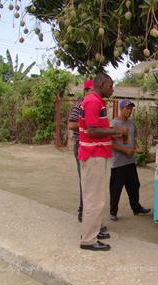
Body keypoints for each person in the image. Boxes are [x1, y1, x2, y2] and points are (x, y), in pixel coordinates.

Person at [78, 73, 127, 251]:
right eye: (110, 85)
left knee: (97, 197)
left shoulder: (95, 101)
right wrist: (115, 131)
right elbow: (92, 131)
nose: (112, 89)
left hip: (97, 154)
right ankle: (88, 240)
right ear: (101, 84)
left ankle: (93, 230)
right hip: (93, 155)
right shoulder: (92, 102)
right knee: (93, 199)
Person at [109, 99, 151, 221]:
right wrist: (124, 150)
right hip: (118, 163)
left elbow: (133, 138)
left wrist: (137, 147)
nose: (129, 111)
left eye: (131, 109)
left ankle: (136, 208)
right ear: (121, 109)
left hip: (130, 162)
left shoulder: (131, 123)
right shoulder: (114, 124)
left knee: (134, 185)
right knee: (116, 188)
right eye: (127, 108)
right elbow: (109, 143)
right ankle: (113, 212)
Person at [68, 79, 94, 223]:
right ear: (86, 91)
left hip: (92, 146)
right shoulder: (80, 105)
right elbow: (71, 124)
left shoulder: (94, 104)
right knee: (85, 179)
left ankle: (86, 211)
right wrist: (88, 125)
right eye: (91, 90)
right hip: (81, 145)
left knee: (91, 181)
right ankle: (82, 211)